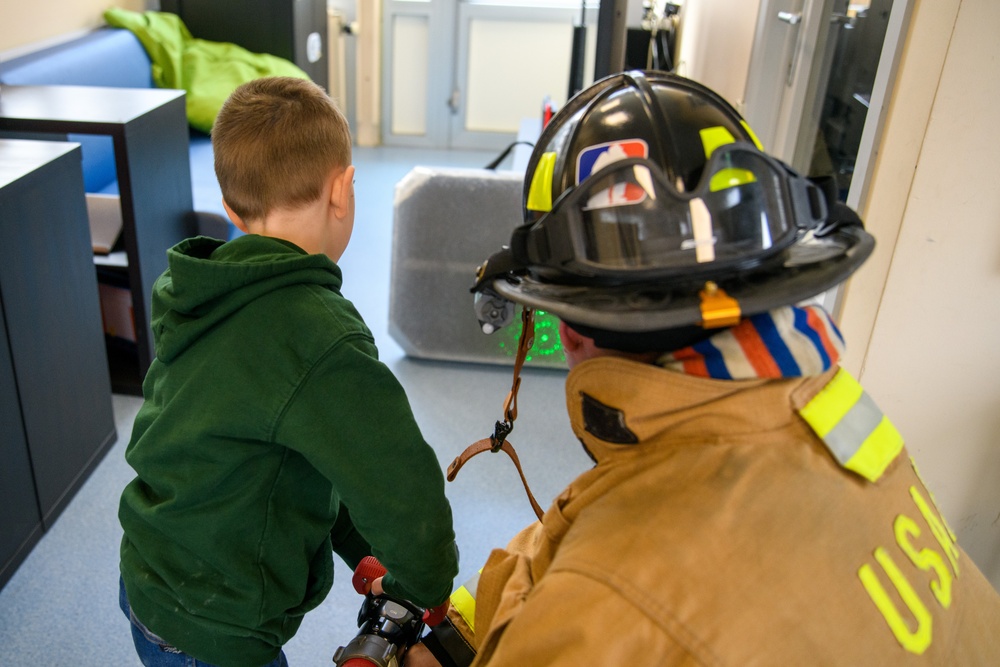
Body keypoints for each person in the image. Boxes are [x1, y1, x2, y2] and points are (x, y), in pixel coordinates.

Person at [410, 71, 1000, 666]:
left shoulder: (604, 607)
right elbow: (619, 512)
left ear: (568, 323)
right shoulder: (822, 405)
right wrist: (464, 627)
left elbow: (618, 578)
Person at [118, 76, 459, 667]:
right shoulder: (322, 337)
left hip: (151, 579)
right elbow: (402, 490)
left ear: (230, 206)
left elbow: (313, 452)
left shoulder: (199, 292)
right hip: (220, 630)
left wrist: (364, 550)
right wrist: (425, 586)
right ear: (343, 191)